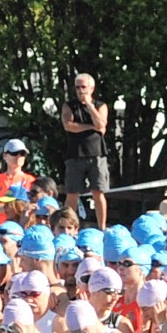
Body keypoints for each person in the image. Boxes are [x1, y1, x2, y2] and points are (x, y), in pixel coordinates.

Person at [57, 73, 113, 232]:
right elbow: (68, 125)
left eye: (84, 87)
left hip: (96, 154)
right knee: (72, 194)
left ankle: (102, 227)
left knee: (98, 192)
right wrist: (90, 127)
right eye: (77, 87)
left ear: (92, 88)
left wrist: (90, 106)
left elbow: (102, 124)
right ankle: (70, 227)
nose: (80, 90)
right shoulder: (69, 106)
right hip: (75, 154)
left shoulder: (100, 105)